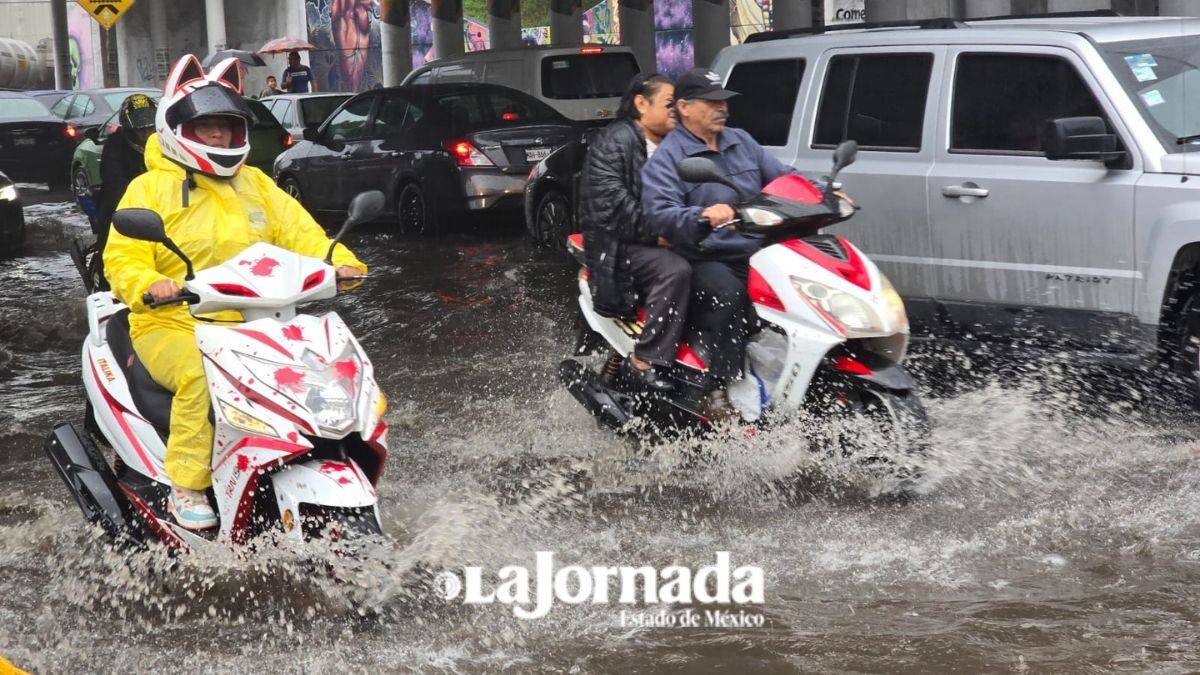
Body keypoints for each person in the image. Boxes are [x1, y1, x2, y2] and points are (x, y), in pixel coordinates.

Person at [103, 55, 364, 530]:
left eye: (227, 127)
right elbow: (123, 258)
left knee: (324, 367)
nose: (219, 137)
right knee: (200, 378)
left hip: (259, 319)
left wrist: (339, 261)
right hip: (172, 321)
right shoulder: (149, 189)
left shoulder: (256, 184)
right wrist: (148, 285)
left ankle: (328, 451)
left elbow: (301, 233)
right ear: (177, 129)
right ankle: (188, 482)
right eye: (207, 128)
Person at [642, 68, 806, 386]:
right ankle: (720, 386)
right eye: (712, 102)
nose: (723, 108)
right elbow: (660, 214)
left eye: (724, 101)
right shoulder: (667, 159)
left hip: (755, 249)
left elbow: (783, 176)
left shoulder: (741, 141)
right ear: (685, 107)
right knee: (729, 296)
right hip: (705, 256)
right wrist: (702, 216)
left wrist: (821, 190)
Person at [580, 73, 690, 392]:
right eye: (670, 104)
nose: (676, 111)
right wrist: (660, 233)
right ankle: (647, 358)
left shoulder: (678, 143)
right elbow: (612, 205)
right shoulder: (616, 141)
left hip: (668, 235)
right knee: (676, 271)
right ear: (641, 103)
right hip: (619, 244)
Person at [88, 93, 157, 291]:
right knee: (109, 242)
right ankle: (104, 288)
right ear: (129, 129)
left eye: (151, 128)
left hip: (161, 204)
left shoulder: (166, 144)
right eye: (141, 130)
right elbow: (114, 182)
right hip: (125, 208)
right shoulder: (115, 146)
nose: (147, 134)